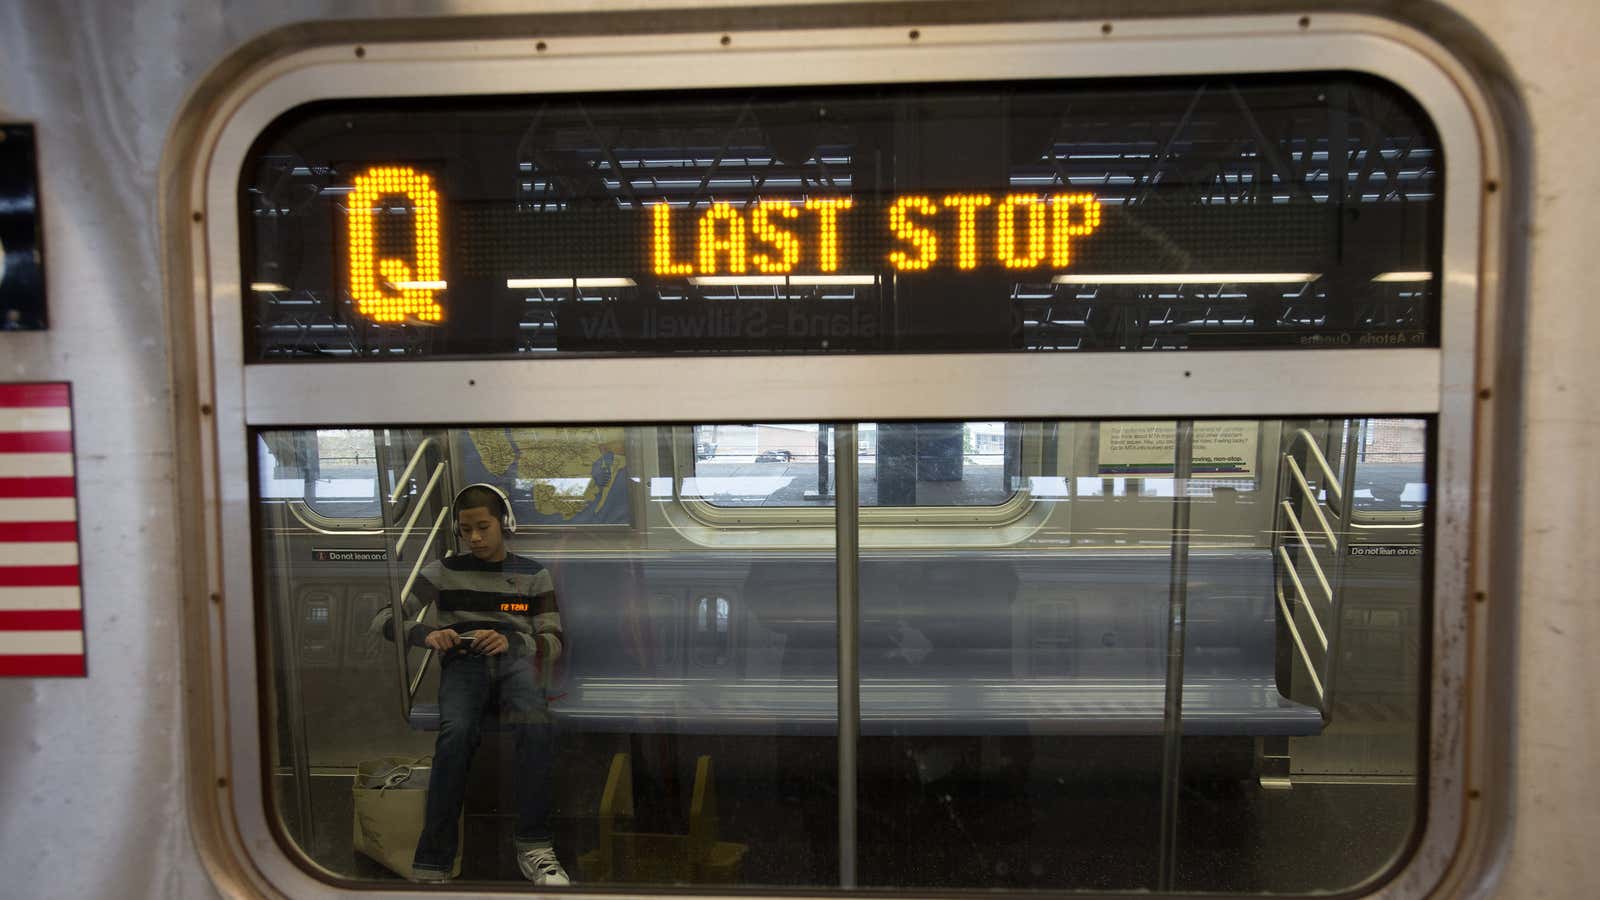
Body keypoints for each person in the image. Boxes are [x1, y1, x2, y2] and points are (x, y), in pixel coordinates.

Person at [371, 483, 569, 885]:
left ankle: (534, 844)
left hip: (514, 662)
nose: (475, 538)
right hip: (464, 663)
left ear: (504, 524)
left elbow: (553, 642)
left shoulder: (533, 574)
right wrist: (426, 633)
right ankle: (434, 860)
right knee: (456, 733)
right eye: (466, 530)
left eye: (484, 527)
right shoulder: (444, 571)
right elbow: (383, 619)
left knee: (536, 722)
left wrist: (512, 640)